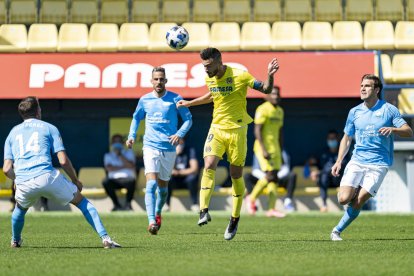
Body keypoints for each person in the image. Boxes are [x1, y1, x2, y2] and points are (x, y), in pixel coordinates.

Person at [177, 47, 279, 240]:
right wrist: (190, 103)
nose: (205, 70)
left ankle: (234, 218)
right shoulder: (210, 77)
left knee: (235, 175)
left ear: (219, 61)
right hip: (216, 128)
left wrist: (269, 75)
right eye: (203, 66)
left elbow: (265, 89)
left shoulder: (240, 76)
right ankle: (203, 210)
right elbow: (212, 95)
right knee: (208, 165)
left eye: (208, 65)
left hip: (238, 131)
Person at [3, 96, 120, 248]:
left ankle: (15, 240)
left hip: (24, 181)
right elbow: (63, 161)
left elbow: (6, 169)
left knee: (20, 209)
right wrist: (75, 180)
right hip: (46, 176)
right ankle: (105, 239)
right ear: (38, 111)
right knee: (83, 203)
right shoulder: (49, 128)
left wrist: (17, 180)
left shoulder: (12, 133)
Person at [330, 74, 413, 241]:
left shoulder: (388, 110)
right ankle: (352, 193)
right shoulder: (354, 112)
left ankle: (336, 231)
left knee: (360, 199)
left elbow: (408, 131)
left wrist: (393, 129)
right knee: (343, 198)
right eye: (361, 85)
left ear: (377, 90)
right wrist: (338, 161)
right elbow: (347, 138)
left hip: (379, 164)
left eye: (367, 86)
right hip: (357, 161)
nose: (362, 88)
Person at [126, 67, 192, 235]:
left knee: (162, 189)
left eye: (161, 79)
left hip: (169, 149)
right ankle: (151, 221)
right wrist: (132, 135)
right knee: (151, 184)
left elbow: (188, 120)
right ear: (151, 81)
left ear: (166, 81)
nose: (159, 82)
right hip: (150, 146)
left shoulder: (175, 98)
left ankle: (158, 212)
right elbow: (136, 118)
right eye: (156, 79)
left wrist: (179, 134)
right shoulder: (145, 100)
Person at [247, 86, 285, 218]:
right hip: (263, 147)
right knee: (270, 174)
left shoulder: (280, 111)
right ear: (266, 96)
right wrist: (263, 149)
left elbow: (280, 132)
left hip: (275, 149)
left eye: (277, 94)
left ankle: (271, 209)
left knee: (274, 177)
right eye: (272, 94)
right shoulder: (262, 109)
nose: (275, 96)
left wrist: (281, 150)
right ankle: (251, 199)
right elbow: (257, 130)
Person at [311, 130, 349, 212]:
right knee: (323, 177)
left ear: (338, 139)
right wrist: (310, 162)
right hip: (326, 181)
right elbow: (314, 162)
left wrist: (318, 173)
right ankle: (324, 205)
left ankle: (346, 203)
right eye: (329, 138)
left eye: (333, 138)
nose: (331, 140)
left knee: (327, 174)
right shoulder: (323, 152)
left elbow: (339, 166)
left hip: (338, 180)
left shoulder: (342, 151)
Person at [103, 134, 136, 211]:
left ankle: (128, 205)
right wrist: (124, 166)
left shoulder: (129, 153)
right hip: (113, 180)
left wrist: (120, 155)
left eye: (119, 141)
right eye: (115, 141)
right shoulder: (108, 155)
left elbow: (131, 165)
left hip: (127, 179)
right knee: (105, 182)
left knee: (132, 181)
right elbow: (109, 168)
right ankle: (116, 205)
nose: (117, 143)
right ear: (112, 143)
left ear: (123, 143)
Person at [166, 138, 199, 212]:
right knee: (168, 178)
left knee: (192, 178)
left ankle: (195, 204)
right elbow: (168, 168)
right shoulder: (170, 150)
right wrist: (175, 154)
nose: (178, 143)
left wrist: (179, 172)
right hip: (175, 180)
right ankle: (166, 205)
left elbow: (194, 169)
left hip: (186, 179)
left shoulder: (190, 150)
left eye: (179, 140)